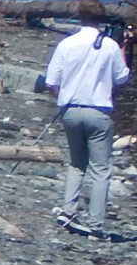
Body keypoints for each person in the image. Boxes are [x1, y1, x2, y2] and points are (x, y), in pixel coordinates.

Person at [44, 16, 130, 236]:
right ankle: (95, 224)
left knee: (76, 163)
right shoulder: (110, 45)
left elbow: (51, 81)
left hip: (71, 110)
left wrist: (61, 99)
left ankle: (68, 209)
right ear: (99, 21)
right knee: (101, 169)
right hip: (98, 111)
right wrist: (123, 52)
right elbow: (122, 78)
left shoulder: (67, 43)